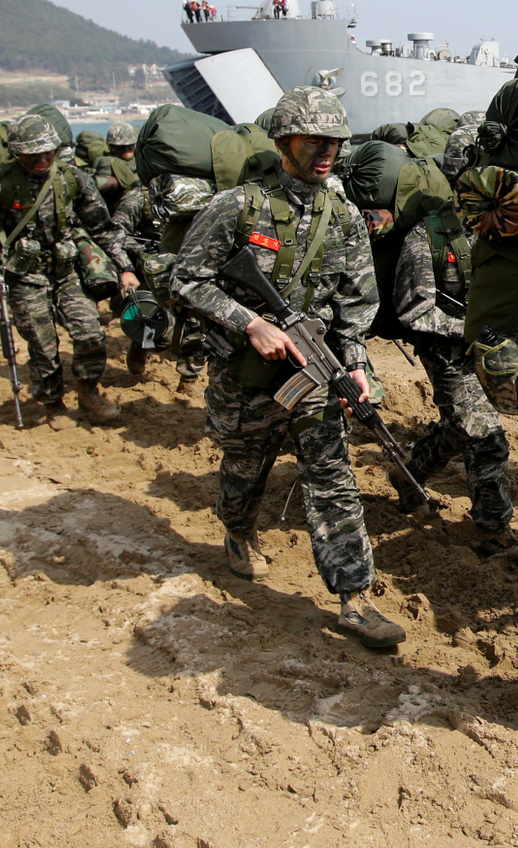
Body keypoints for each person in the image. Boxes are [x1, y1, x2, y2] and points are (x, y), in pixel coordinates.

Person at [171, 87, 402, 647]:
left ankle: (354, 597)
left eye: (336, 142)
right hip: (245, 376)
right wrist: (250, 323)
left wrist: (358, 366)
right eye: (314, 140)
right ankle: (238, 530)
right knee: (245, 470)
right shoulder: (237, 207)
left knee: (332, 477)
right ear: (284, 142)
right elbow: (185, 281)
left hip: (313, 372)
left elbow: (355, 307)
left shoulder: (344, 216)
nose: (327, 152)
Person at [0, 114, 134, 430]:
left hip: (67, 270)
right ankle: (53, 404)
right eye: (33, 154)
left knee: (90, 332)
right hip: (23, 277)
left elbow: (102, 227)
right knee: (43, 346)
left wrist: (125, 267)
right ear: (17, 152)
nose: (42, 159)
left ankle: (88, 391)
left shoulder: (72, 179)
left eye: (48, 152)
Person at [381, 169, 517, 558]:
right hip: (448, 352)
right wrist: (471, 331)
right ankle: (496, 532)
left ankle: (408, 473)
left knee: (462, 427)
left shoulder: (505, 228)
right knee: (486, 434)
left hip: (494, 352)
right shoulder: (428, 237)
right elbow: (414, 311)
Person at [111, 181, 206, 394]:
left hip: (191, 269)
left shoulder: (204, 191)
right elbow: (115, 234)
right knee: (158, 324)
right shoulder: (139, 197)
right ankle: (142, 345)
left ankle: (188, 379)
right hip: (151, 271)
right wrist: (139, 257)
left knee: (198, 325)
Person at [92, 121, 140, 213]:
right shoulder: (106, 163)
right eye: (121, 147)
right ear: (112, 146)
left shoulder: (142, 160)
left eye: (130, 145)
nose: (126, 149)